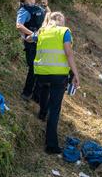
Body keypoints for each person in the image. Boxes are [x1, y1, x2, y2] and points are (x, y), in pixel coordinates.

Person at [34, 12, 80, 154]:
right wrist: (76, 74)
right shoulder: (64, 31)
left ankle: (42, 113)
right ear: (61, 20)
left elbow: (30, 38)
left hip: (41, 73)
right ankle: (51, 145)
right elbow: (68, 53)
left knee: (44, 90)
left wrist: (27, 36)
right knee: (54, 108)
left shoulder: (42, 31)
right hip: (58, 75)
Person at [16, 0, 49, 102]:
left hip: (42, 44)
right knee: (34, 68)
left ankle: (36, 96)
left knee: (40, 69)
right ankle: (26, 93)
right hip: (31, 44)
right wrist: (33, 35)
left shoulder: (37, 8)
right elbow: (19, 25)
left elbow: (49, 16)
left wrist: (46, 6)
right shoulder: (24, 11)